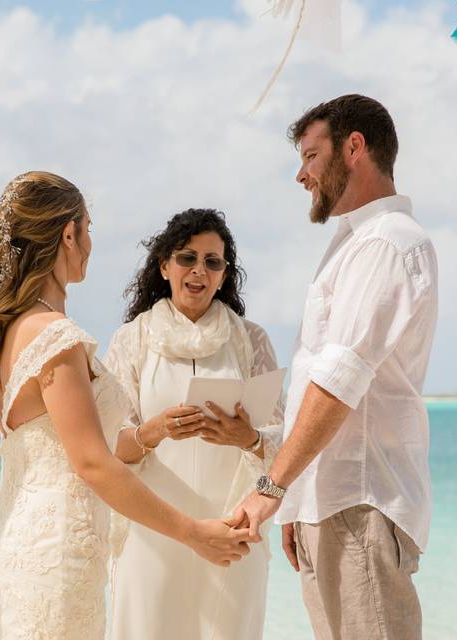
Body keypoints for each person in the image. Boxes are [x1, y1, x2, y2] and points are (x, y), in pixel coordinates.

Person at [0, 172, 255, 640]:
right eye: (89, 228)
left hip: (20, 535)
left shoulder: (14, 330)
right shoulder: (54, 336)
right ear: (69, 235)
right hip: (57, 548)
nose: (91, 243)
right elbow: (93, 462)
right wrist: (192, 532)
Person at [230, 95, 439, 640]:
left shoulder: (386, 243)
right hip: (336, 502)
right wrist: (298, 499)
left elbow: (338, 383)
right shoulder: (355, 243)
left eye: (311, 156)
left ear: (354, 148)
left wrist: (271, 490)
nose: (302, 175)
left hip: (361, 502)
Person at [104, 209, 284, 640]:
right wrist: (155, 431)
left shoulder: (251, 340)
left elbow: (282, 442)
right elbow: (109, 449)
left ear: (224, 275)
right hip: (153, 532)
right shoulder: (132, 340)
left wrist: (250, 438)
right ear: (164, 266)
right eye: (187, 258)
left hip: (232, 530)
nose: (199, 270)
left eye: (212, 261)